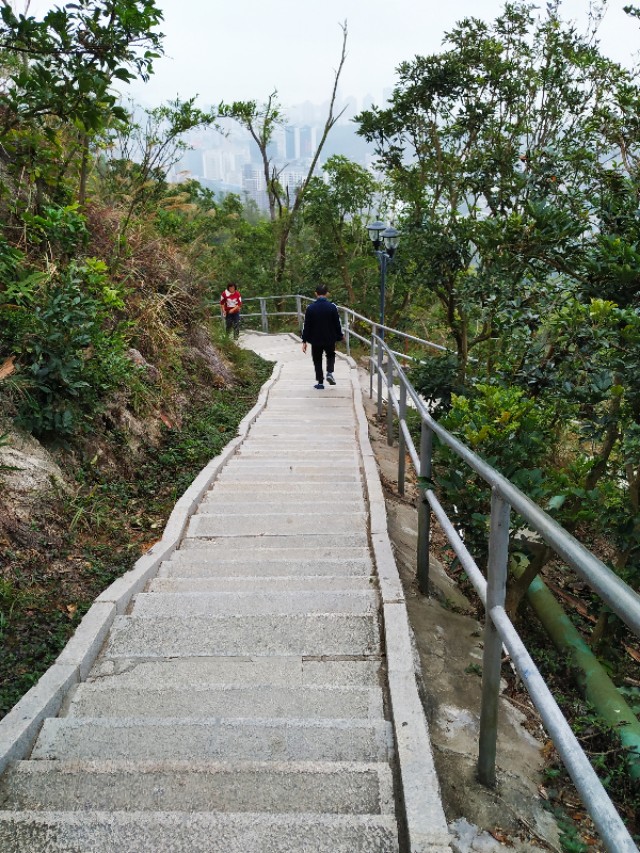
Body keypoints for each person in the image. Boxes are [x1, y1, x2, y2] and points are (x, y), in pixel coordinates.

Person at [301, 284, 343, 389]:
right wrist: (340, 336)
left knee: (317, 359)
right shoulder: (332, 307)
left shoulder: (310, 308)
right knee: (330, 355)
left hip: (315, 339)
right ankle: (329, 372)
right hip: (330, 338)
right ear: (327, 294)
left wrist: (304, 340)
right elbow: (337, 323)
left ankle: (320, 383)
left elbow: (307, 325)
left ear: (316, 294)